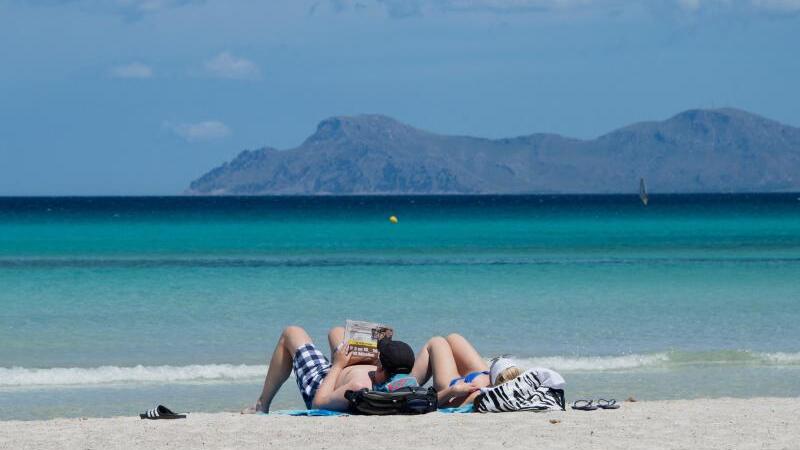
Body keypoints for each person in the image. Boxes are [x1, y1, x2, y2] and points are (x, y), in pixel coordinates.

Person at [243, 325, 416, 413]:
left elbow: (318, 404)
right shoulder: (399, 383)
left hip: (323, 381)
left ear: (380, 367)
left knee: (291, 332)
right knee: (337, 331)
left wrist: (339, 365)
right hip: (344, 373)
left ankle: (261, 405)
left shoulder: (357, 386)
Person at [410, 333, 521, 408]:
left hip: (453, 385)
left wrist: (452, 391)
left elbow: (440, 405)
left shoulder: (478, 395)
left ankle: (407, 385)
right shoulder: (518, 381)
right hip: (481, 375)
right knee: (454, 337)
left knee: (436, 342)